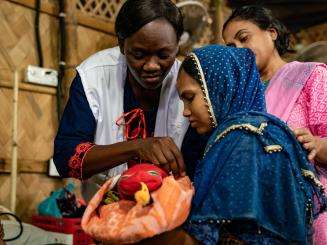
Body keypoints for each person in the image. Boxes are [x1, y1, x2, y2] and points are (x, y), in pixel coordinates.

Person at [53, 0, 207, 201]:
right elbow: (66, 159)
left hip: (171, 214)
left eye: (163, 54)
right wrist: (137, 147)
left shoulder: (188, 87)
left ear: (178, 46)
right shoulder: (94, 76)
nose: (152, 65)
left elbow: (199, 162)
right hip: (106, 213)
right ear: (121, 44)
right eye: (139, 54)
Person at [176, 44, 326, 244]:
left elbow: (219, 237)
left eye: (190, 98)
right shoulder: (257, 133)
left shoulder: (244, 140)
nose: (185, 112)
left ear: (220, 87)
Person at [222, 6, 327, 243]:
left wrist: (316, 144)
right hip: (263, 217)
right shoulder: (239, 99)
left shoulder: (313, 76)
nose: (237, 49)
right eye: (231, 47)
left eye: (243, 38)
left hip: (315, 210)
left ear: (271, 33)